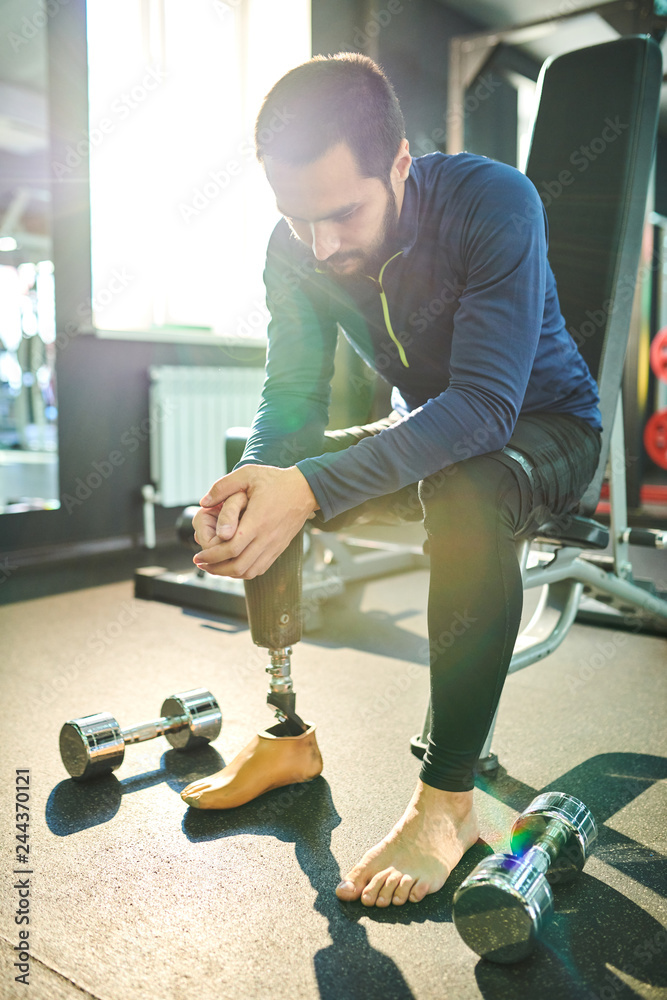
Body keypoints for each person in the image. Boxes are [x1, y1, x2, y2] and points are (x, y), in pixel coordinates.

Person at [180, 53, 602, 909]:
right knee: (266, 471)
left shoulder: (492, 200)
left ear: (400, 165)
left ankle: (448, 805)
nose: (321, 245)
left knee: (466, 489)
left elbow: (484, 408)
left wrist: (309, 489)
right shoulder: (292, 244)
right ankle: (286, 731)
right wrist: (264, 478)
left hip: (545, 428)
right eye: (298, 219)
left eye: (343, 213)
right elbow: (290, 396)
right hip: (435, 426)